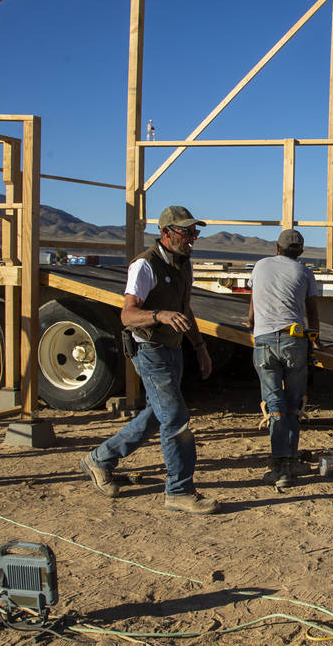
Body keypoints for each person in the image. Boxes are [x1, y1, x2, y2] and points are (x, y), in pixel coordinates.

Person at [80, 205, 220, 515]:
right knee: (175, 419)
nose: (193, 238)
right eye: (187, 232)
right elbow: (127, 314)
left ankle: (100, 459)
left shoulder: (184, 264)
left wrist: (200, 347)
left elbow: (186, 309)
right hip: (149, 349)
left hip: (173, 349)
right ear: (167, 233)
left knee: (158, 414)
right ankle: (179, 491)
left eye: (196, 232)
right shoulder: (144, 266)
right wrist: (159, 315)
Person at [247, 229, 320, 488]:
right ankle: (288, 465)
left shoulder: (260, 265)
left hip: (264, 340)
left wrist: (252, 325)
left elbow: (254, 305)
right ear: (300, 252)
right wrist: (316, 337)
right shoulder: (305, 272)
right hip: (294, 340)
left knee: (274, 404)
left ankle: (279, 467)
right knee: (294, 403)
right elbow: (311, 310)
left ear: (277, 248)